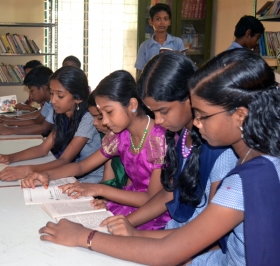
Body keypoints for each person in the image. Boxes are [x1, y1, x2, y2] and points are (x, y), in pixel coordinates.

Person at [37, 49, 280, 265]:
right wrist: (130, 232)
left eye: (202, 115)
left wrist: (85, 237)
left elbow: (170, 252)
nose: (197, 124)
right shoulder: (254, 162)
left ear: (240, 116)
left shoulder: (248, 177)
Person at [100, 53, 236, 238]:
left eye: (163, 111)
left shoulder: (216, 147)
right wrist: (127, 223)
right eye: (153, 112)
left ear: (190, 98)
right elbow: (167, 194)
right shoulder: (181, 137)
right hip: (177, 231)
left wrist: (136, 233)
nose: (158, 120)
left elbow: (209, 234)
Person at [22, 70, 170, 230]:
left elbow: (152, 198)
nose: (104, 121)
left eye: (109, 112)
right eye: (101, 114)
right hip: (128, 202)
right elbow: (81, 167)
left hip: (153, 215)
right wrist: (46, 176)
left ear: (132, 105)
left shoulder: (159, 139)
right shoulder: (121, 135)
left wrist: (100, 189)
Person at [0, 66, 104, 184]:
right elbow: (43, 148)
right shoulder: (62, 114)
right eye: (52, 93)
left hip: (89, 178)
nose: (53, 100)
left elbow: (65, 160)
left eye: (60, 96)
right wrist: (9, 158)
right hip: (69, 174)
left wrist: (28, 170)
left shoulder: (88, 118)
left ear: (78, 98)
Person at [0, 66, 54, 136]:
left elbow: (43, 128)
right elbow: (37, 120)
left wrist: (9, 130)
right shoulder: (48, 103)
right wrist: (7, 122)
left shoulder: (54, 103)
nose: (30, 95)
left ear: (44, 89)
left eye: (32, 90)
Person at [87, 92, 128, 189]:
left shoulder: (123, 137)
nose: (95, 123)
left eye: (99, 117)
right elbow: (108, 177)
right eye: (93, 117)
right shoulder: (106, 136)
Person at [135, 3, 185, 80]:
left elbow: (184, 67)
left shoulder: (178, 42)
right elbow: (139, 72)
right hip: (151, 85)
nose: (162, 22)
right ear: (151, 22)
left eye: (165, 19)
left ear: (169, 22)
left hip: (173, 84)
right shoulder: (144, 46)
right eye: (158, 19)